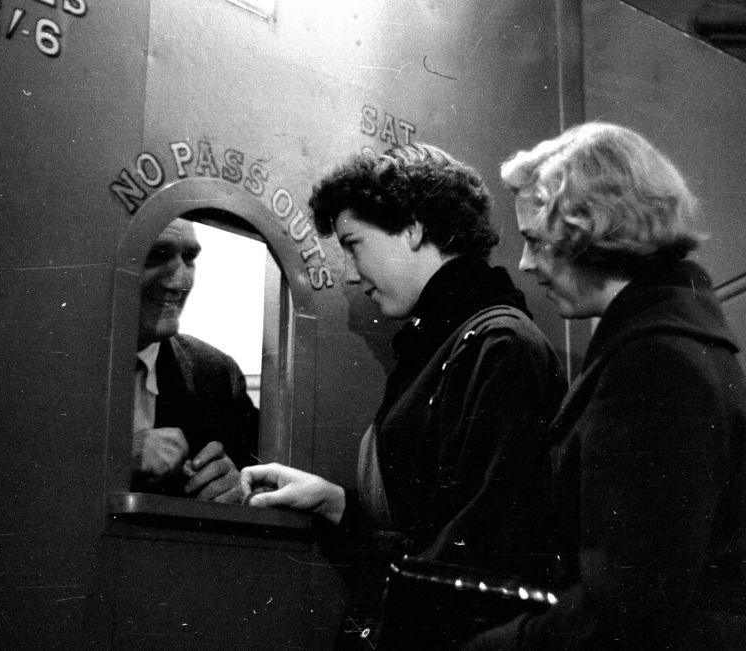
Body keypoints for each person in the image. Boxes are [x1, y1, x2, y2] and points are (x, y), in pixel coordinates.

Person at [240, 143, 567, 648]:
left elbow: (480, 557)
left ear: (413, 228)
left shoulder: (498, 346)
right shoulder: (451, 343)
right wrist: (334, 503)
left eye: (354, 244)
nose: (350, 273)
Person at [466, 122, 746, 649]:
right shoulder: (672, 341)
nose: (524, 262)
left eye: (536, 240)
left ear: (592, 230)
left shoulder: (655, 362)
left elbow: (631, 599)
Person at [132, 217, 259, 503]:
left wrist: (241, 487)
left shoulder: (217, 374)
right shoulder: (49, 362)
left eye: (189, 257)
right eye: (157, 255)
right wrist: (119, 458)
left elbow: (265, 481)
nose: (180, 281)